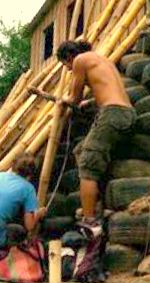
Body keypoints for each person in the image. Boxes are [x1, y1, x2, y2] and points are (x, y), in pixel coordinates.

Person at [56, 40, 136, 226]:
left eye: (65, 65)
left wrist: (63, 101)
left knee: (87, 165)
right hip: (127, 114)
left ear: (69, 57)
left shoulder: (80, 60)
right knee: (81, 150)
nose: (68, 69)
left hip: (111, 114)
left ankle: (89, 219)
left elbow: (74, 98)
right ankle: (97, 202)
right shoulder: (102, 60)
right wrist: (88, 104)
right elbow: (107, 91)